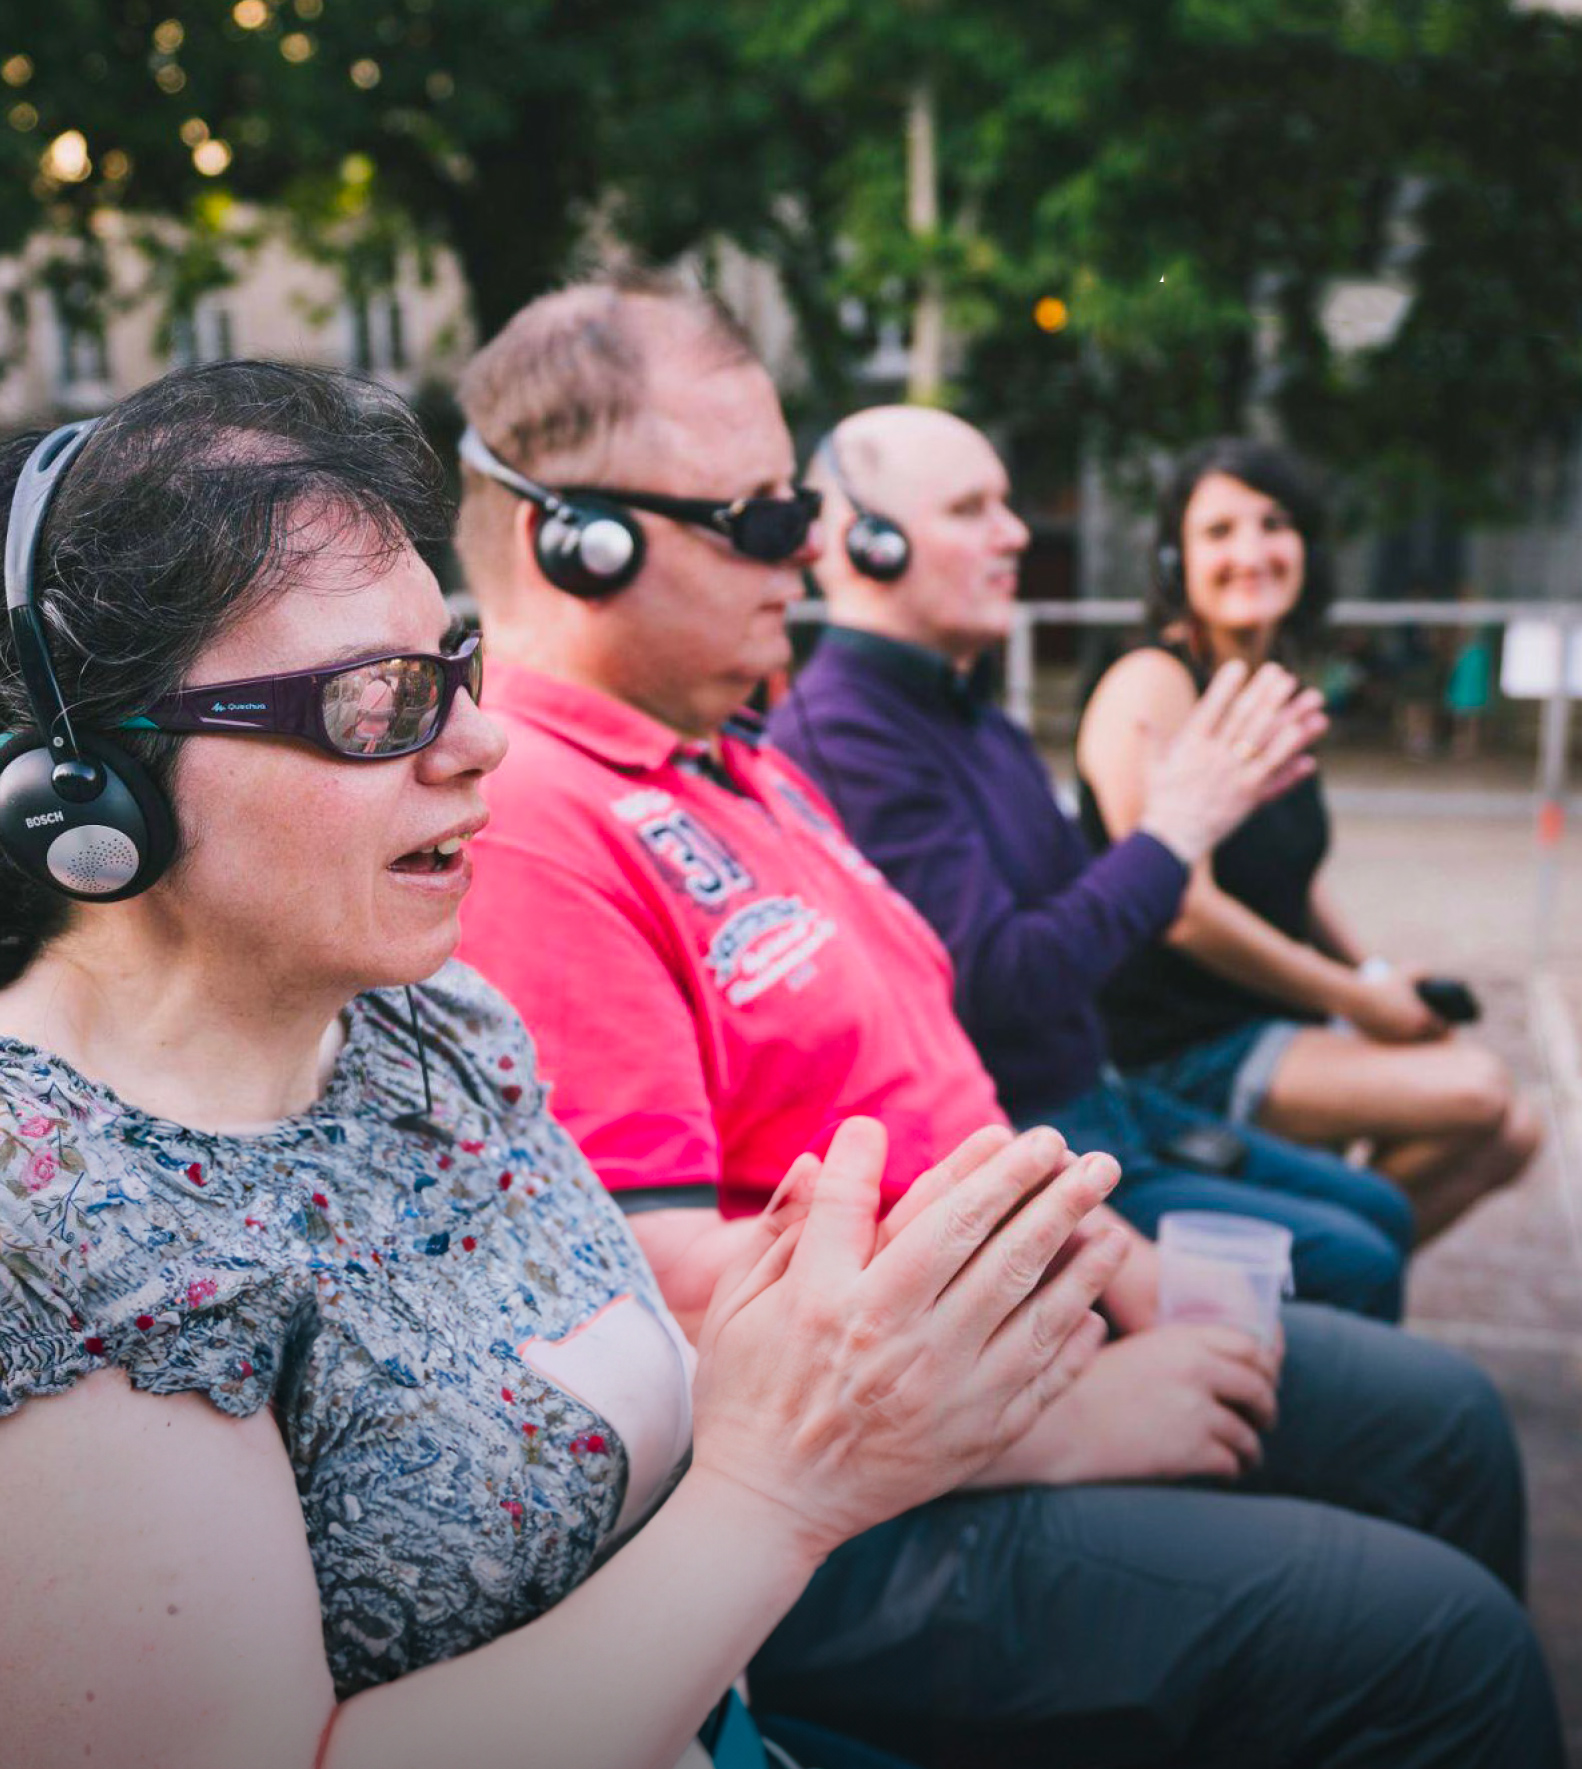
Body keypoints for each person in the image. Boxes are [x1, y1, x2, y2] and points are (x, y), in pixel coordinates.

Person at [453, 275, 1564, 1769]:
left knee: (1437, 1425)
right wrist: (1051, 1407)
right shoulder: (537, 819)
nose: (812, 557)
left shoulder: (729, 760)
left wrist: (1102, 1253)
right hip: (879, 1486)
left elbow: (935, 1064)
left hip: (1002, 1330)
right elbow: (664, 1293)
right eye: (766, 521)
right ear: (568, 541)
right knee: (1441, 1645)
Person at [0, 361, 1130, 1769]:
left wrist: (789, 1340)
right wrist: (777, 1488)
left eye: (454, 669)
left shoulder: (440, 1026)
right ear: (84, 785)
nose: (483, 741)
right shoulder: (48, 1228)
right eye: (379, 703)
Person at [774, 404, 1415, 1320]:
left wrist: (1212, 820)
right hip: (1037, 1141)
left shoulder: (971, 711)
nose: (1017, 534)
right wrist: (1173, 832)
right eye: (971, 509)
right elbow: (1005, 981)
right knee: (1359, 1264)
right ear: (863, 543)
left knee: (1380, 1210)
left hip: (1106, 1101)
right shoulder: (847, 733)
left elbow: (1079, 904)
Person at [1076, 437, 1541, 1242]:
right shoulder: (1150, 681)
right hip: (1172, 1045)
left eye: (1274, 523)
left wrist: (1374, 976)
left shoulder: (1271, 679)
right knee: (1478, 1091)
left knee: (1516, 1134)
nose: (1251, 551)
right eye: (1218, 531)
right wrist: (1354, 999)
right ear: (1171, 559)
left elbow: (1291, 871)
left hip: (1270, 1018)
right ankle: (1309, 1268)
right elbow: (1180, 906)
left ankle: (1308, 1274)